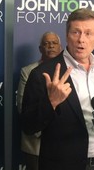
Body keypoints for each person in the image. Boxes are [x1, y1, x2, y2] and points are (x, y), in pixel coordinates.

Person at [21, 8, 94, 170]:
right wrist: (51, 102)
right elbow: (28, 126)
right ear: (66, 35)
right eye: (76, 32)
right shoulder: (43, 73)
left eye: (88, 33)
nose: (81, 40)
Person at [17, 31, 62, 170]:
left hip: (64, 142)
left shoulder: (69, 71)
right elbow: (23, 106)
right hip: (36, 142)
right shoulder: (28, 71)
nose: (51, 46)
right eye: (46, 43)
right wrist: (42, 130)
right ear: (40, 49)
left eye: (54, 43)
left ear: (60, 48)